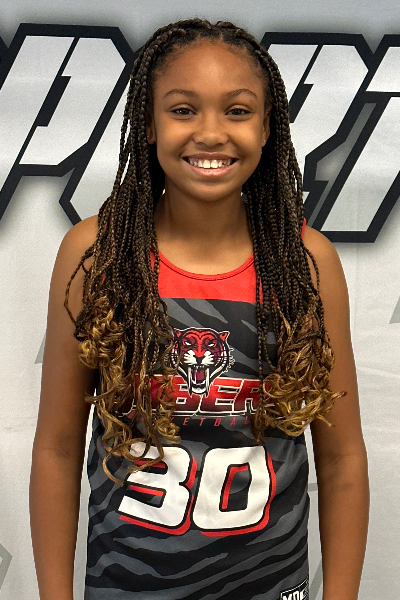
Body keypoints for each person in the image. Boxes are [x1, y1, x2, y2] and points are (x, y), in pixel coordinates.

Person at [30, 18, 369, 600]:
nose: (211, 133)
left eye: (237, 111)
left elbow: (342, 460)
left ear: (268, 127)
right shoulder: (98, 253)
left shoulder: (305, 263)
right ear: (148, 122)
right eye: (183, 110)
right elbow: (57, 449)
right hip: (127, 586)